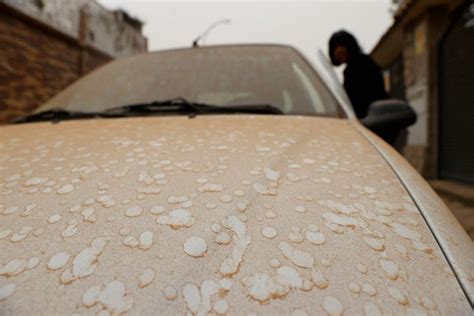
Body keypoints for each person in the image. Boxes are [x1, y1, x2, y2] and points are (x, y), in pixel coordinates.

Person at [328, 30, 388, 119]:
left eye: (341, 45)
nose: (338, 51)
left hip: (373, 121)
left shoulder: (362, 64)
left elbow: (360, 100)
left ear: (350, 45)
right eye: (335, 48)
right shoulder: (350, 69)